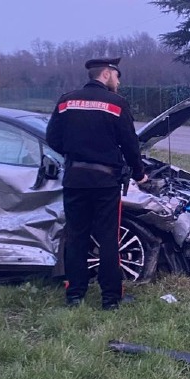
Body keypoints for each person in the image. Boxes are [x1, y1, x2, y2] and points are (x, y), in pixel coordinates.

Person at [46, 57, 148, 309]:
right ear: (106, 74)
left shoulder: (66, 101)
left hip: (74, 180)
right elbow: (130, 144)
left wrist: (74, 155)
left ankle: (74, 295)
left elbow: (52, 138)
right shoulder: (116, 103)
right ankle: (110, 299)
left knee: (76, 237)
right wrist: (138, 173)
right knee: (108, 239)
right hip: (105, 182)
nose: (119, 81)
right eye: (117, 76)